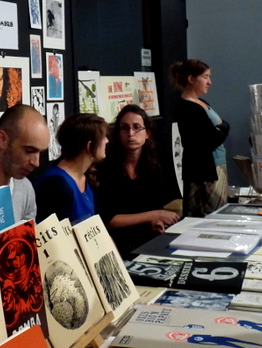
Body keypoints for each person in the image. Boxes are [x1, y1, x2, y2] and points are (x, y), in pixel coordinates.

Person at [98, 105, 180, 256]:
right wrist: (155, 215)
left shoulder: (153, 165)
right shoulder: (106, 168)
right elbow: (107, 220)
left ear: (147, 133)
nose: (130, 134)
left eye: (136, 127)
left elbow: (152, 207)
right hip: (116, 244)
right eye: (124, 128)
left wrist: (156, 222)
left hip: (147, 240)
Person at [170, 59, 230, 217]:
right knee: (211, 216)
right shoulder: (187, 107)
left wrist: (221, 128)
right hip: (205, 172)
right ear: (191, 79)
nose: (209, 82)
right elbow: (210, 139)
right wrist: (225, 127)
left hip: (216, 167)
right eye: (205, 77)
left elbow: (216, 131)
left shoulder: (200, 102)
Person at [0, 105, 50, 221]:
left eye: (40, 153)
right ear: (3, 139)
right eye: (29, 151)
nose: (36, 163)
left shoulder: (25, 188)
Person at [34, 113, 108, 224]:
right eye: (103, 137)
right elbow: (64, 235)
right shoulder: (56, 184)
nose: (107, 141)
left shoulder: (87, 176)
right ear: (90, 146)